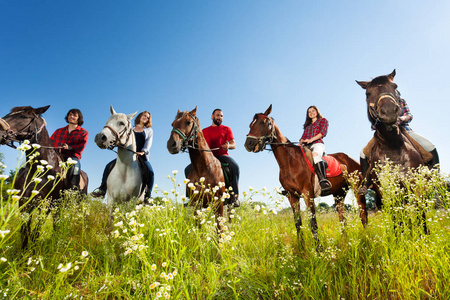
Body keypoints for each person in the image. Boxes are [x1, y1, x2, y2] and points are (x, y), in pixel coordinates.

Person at [359, 90, 439, 194]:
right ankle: (366, 183)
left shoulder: (401, 101)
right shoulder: (377, 104)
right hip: (383, 135)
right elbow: (373, 125)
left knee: (430, 146)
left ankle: (436, 179)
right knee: (363, 154)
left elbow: (409, 115)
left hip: (404, 130)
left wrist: (401, 118)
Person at [91, 111, 155, 201]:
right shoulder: (130, 127)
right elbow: (121, 137)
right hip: (128, 154)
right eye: (144, 115)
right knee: (108, 166)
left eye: (148, 117)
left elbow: (148, 143)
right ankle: (102, 190)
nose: (145, 118)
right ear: (140, 116)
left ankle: (148, 196)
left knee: (151, 172)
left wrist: (143, 151)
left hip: (141, 155)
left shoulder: (149, 131)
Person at [184, 108, 240, 207]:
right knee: (187, 169)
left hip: (222, 156)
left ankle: (233, 196)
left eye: (221, 116)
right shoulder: (204, 131)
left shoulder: (226, 129)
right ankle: (190, 198)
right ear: (212, 116)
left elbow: (233, 144)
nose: (220, 117)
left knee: (235, 167)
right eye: (217, 115)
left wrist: (228, 146)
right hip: (207, 157)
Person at [50, 108, 89, 189]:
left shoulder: (83, 132)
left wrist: (69, 147)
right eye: (70, 115)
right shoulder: (59, 131)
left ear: (79, 118)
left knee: (76, 168)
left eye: (74, 115)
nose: (71, 116)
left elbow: (81, 146)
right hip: (57, 155)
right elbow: (50, 143)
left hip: (72, 157)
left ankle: (72, 191)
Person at [298, 105, 331, 194]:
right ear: (308, 115)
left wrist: (311, 139)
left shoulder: (323, 121)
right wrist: (301, 142)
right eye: (309, 112)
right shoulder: (307, 127)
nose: (311, 113)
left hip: (317, 144)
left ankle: (323, 181)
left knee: (315, 155)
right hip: (307, 146)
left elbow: (322, 133)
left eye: (313, 111)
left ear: (317, 112)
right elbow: (303, 137)